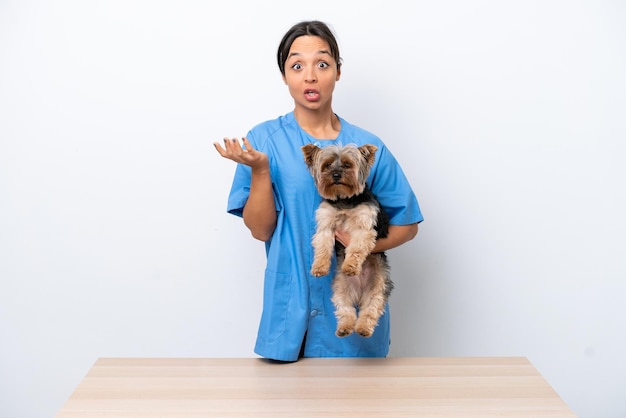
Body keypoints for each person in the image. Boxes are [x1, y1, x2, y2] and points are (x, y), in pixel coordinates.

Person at [213, 20, 423, 362]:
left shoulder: (370, 149)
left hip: (354, 316)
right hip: (289, 315)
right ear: (284, 75)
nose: (309, 76)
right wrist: (260, 170)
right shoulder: (264, 141)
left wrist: (360, 247)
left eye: (322, 64)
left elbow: (407, 225)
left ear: (338, 72)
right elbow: (259, 229)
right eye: (297, 65)